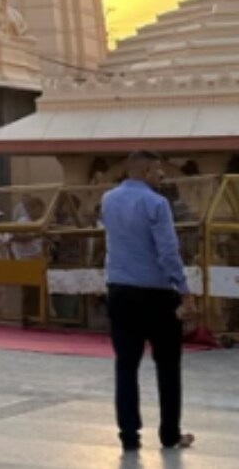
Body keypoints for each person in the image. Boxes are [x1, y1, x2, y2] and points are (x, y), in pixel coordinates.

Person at [102, 150, 196, 453]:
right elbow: (167, 251)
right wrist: (184, 290)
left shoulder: (108, 200)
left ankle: (129, 436)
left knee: (126, 366)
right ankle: (170, 434)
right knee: (168, 366)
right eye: (158, 171)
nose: (161, 176)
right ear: (144, 171)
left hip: (120, 291)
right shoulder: (157, 203)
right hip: (155, 295)